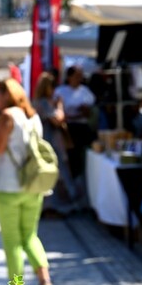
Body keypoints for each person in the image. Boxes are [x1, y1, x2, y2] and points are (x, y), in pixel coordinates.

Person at [0, 78, 53, 285]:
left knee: (12, 241)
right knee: (30, 236)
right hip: (33, 184)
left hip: (8, 186)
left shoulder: (8, 116)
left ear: (6, 95)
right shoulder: (33, 116)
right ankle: (44, 279)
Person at [33, 72, 77, 217]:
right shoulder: (44, 103)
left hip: (46, 143)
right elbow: (57, 119)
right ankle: (54, 206)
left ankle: (50, 206)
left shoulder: (37, 102)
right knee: (58, 173)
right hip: (51, 143)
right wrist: (60, 106)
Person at [54, 65, 97, 194]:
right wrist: (71, 115)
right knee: (71, 158)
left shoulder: (85, 92)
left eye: (80, 76)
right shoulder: (60, 92)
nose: (79, 78)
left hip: (82, 129)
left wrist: (81, 112)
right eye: (77, 76)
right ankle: (72, 187)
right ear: (69, 77)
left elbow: (88, 112)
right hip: (68, 130)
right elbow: (59, 112)